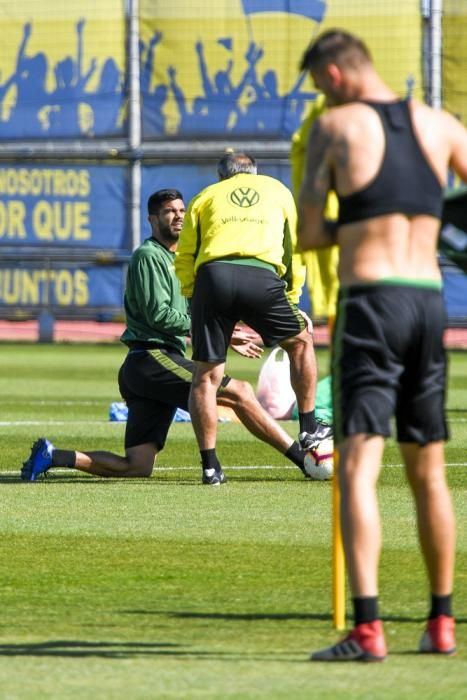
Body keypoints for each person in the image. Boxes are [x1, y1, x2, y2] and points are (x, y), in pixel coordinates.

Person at [297, 29, 467, 661]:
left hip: (371, 304)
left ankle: (368, 630)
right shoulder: (442, 124)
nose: (319, 97)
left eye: (318, 86)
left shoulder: (335, 127)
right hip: (428, 303)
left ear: (335, 75)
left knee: (360, 468)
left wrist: (362, 219)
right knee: (430, 474)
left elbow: (313, 231)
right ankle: (441, 622)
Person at [21, 189, 310, 483]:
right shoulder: (148, 256)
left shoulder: (184, 261)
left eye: (182, 211)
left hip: (149, 369)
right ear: (152, 219)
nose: (179, 216)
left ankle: (54, 456)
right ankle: (303, 458)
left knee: (137, 465)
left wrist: (226, 332)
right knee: (240, 391)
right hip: (151, 357)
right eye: (170, 211)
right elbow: (158, 315)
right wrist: (210, 328)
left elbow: (199, 313)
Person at [174, 152, 332, 486]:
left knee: (206, 375)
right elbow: (294, 250)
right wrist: (292, 298)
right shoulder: (278, 191)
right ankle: (307, 428)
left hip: (212, 277)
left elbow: (185, 252)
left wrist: (193, 296)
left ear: (222, 177)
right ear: (255, 172)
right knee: (300, 342)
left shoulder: (205, 196)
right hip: (261, 277)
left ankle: (210, 467)